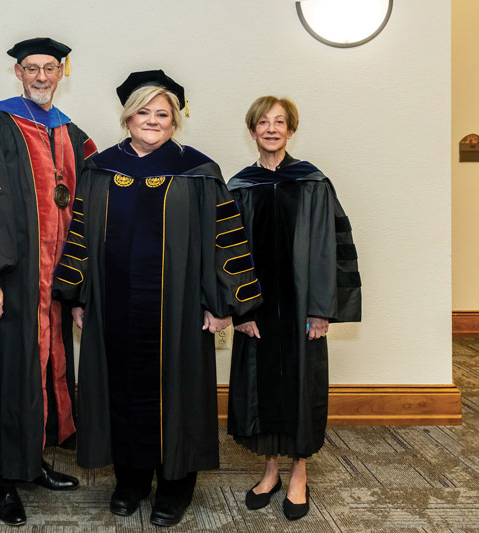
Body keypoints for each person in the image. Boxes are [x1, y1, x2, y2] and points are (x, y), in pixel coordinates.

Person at [52, 70, 262, 527]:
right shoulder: (101, 168)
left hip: (180, 308)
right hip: (115, 305)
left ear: (175, 121)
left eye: (162, 114)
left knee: (178, 391)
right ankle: (130, 480)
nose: (152, 120)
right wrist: (79, 295)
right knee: (120, 389)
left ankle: (175, 485)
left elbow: (225, 239)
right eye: (143, 112)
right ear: (128, 117)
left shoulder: (200, 172)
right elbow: (81, 238)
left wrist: (223, 303)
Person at [0, 37, 97, 526]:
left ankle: (31, 462)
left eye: (50, 68)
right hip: (6, 285)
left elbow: (93, 210)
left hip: (51, 288)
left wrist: (79, 286)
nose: (41, 76)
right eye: (32, 68)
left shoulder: (73, 134)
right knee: (1, 376)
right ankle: (1, 479)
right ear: (17, 72)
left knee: (45, 375)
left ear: (62, 72)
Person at [227, 96, 361, 521]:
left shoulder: (313, 183)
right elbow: (225, 253)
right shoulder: (239, 186)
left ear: (290, 130)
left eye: (279, 122)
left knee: (302, 388)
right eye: (262, 122)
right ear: (252, 131)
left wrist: (322, 309)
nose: (271, 129)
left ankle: (299, 471)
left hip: (303, 308)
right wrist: (241, 310)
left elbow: (329, 248)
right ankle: (270, 472)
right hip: (259, 309)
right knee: (261, 388)